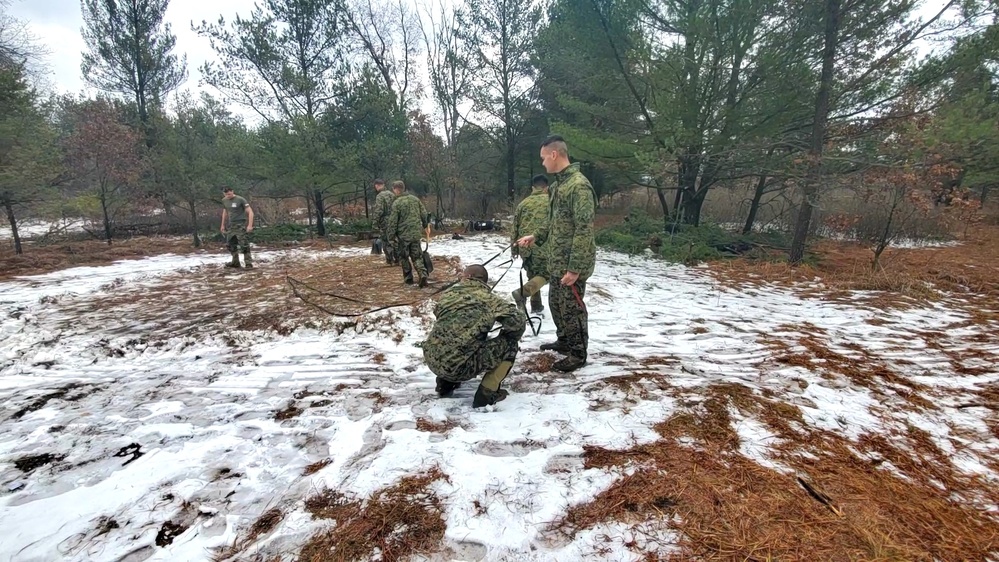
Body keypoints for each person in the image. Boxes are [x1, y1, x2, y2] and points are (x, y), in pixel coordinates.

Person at [516, 136, 595, 372]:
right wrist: (536, 236)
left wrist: (575, 267)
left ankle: (578, 354)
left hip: (571, 262)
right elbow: (554, 222)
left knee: (572, 308)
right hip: (556, 260)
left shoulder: (578, 186)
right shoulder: (558, 186)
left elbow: (584, 229)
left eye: (543, 158)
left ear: (554, 155)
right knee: (556, 304)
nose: (542, 164)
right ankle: (564, 340)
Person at [423, 265, 526, 408]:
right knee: (510, 344)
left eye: (463, 276)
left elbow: (440, 315)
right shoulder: (490, 299)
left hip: (432, 359)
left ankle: (445, 384)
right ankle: (486, 394)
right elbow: (518, 323)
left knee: (452, 338)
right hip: (460, 368)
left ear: (469, 277)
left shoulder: (448, 293)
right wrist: (507, 333)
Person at [511, 174, 550, 315]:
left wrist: (514, 250)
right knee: (546, 275)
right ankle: (522, 293)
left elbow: (514, 227)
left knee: (532, 275)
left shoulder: (523, 204)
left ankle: (536, 305)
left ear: (533, 187)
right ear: (546, 187)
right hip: (544, 246)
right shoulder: (551, 202)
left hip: (524, 246)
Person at [387, 180, 430, 287]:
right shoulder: (415, 199)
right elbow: (424, 214)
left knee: (404, 257)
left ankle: (408, 278)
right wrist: (425, 225)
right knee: (417, 256)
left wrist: (390, 236)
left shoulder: (397, 203)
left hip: (403, 236)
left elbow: (393, 222)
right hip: (415, 234)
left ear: (396, 189)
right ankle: (423, 274)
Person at [220, 187, 255, 268]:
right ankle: (235, 262)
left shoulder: (240, 199)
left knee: (244, 244)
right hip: (231, 225)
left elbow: (250, 212)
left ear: (232, 191)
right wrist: (222, 225)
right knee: (230, 244)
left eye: (229, 194)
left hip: (240, 225)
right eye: (226, 194)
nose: (228, 196)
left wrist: (250, 225)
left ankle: (248, 263)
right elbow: (225, 212)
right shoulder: (224, 200)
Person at [373, 178, 397, 265]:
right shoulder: (392, 194)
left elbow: (379, 210)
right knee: (394, 239)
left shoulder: (380, 196)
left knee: (386, 240)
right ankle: (398, 258)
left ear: (377, 185)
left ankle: (390, 259)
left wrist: (375, 223)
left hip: (385, 221)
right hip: (394, 219)